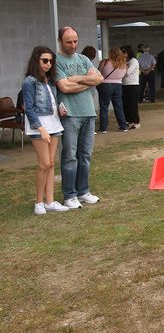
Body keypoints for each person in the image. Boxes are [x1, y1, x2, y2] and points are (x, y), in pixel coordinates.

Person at [55, 25, 103, 209]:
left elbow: (99, 79)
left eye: (75, 41)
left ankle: (83, 191)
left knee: (85, 155)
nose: (73, 45)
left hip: (89, 112)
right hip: (70, 114)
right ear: (60, 41)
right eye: (69, 42)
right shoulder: (56, 60)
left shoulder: (83, 59)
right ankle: (69, 194)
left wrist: (76, 78)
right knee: (69, 156)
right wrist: (86, 80)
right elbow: (64, 87)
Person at [22, 46, 70, 215]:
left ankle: (49, 201)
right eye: (45, 60)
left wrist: (59, 110)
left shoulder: (49, 81)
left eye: (51, 61)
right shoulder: (29, 81)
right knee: (44, 164)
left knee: (50, 164)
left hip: (54, 123)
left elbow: (50, 103)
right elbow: (29, 108)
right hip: (39, 126)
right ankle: (39, 202)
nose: (48, 64)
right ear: (36, 60)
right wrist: (40, 128)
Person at [96, 47, 128, 133]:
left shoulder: (105, 62)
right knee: (118, 106)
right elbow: (124, 75)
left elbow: (98, 72)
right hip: (118, 85)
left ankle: (103, 128)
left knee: (104, 107)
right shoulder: (124, 64)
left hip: (105, 85)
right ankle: (123, 126)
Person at [120, 45, 141, 129]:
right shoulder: (126, 61)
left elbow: (127, 72)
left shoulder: (133, 61)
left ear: (128, 52)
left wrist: (123, 65)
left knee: (133, 104)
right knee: (126, 104)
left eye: (123, 52)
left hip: (132, 85)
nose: (122, 54)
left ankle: (136, 122)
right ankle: (129, 121)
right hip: (124, 84)